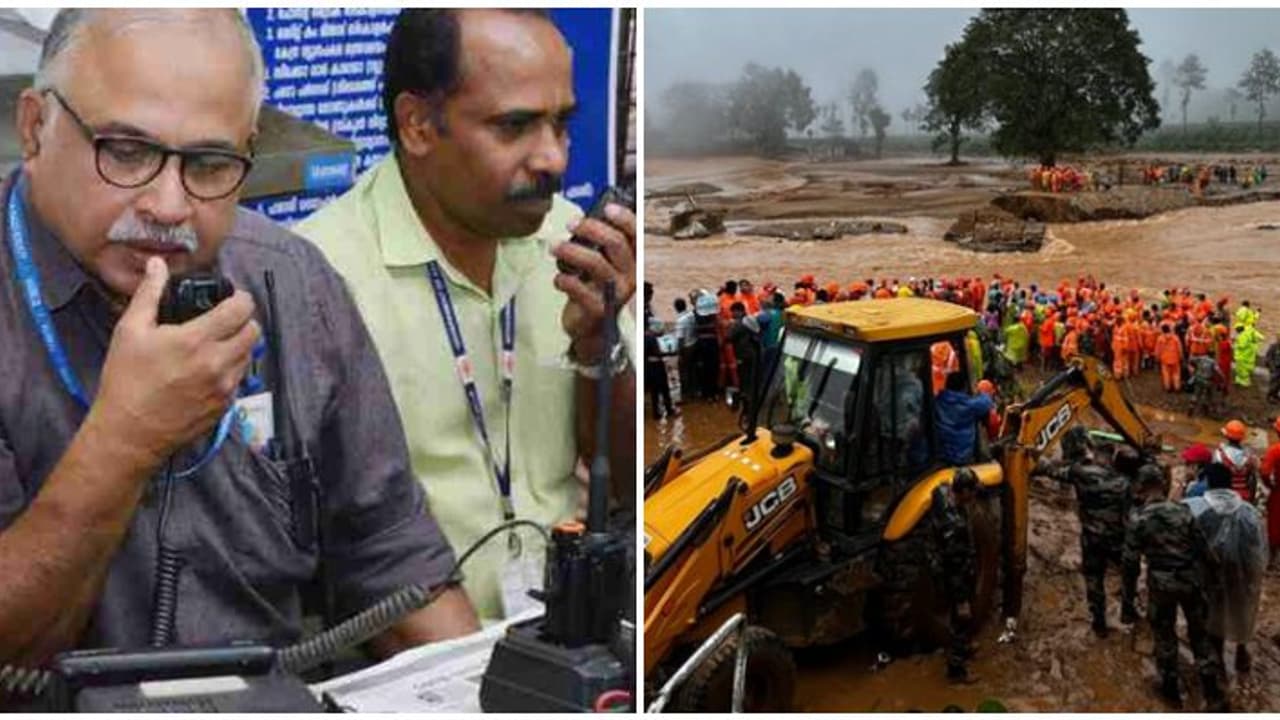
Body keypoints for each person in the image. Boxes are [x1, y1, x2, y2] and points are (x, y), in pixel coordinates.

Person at [0, 9, 479, 660]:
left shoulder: (292, 282)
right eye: (126, 152)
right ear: (35, 129)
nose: (168, 206)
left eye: (209, 164)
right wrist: (123, 443)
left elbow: (394, 561)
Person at [296, 9, 637, 620]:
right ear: (418, 125)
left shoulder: (571, 245)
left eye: (561, 124)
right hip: (412, 649)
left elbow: (633, 474)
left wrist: (599, 349)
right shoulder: (320, 278)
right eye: (514, 126)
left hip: (567, 628)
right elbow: (346, 549)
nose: (553, 159)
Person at [1122, 465, 1226, 710]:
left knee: (1165, 635)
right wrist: (1216, 578)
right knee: (1200, 636)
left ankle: (1171, 691)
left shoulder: (1139, 519)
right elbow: (1204, 549)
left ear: (1141, 487)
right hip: (1191, 579)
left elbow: (1130, 562)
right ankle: (1213, 693)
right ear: (1163, 484)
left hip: (1161, 584)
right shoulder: (1183, 511)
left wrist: (1128, 598)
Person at [1038, 427, 1134, 637]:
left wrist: (1033, 456)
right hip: (1118, 539)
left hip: (1092, 538)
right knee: (1128, 574)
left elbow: (1050, 470)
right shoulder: (1124, 481)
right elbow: (1130, 513)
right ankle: (1128, 614)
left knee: (1093, 579)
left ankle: (1099, 624)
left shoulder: (1081, 473)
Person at [1184, 463, 1267, 680]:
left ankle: (1218, 659)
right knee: (1243, 610)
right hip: (1241, 574)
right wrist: (1253, 575)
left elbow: (1189, 545)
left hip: (1210, 573)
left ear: (1207, 482)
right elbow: (1258, 550)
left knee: (1213, 613)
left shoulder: (1195, 509)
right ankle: (1242, 651)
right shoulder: (1249, 512)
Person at [927, 467, 979, 683]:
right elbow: (956, 567)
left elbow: (938, 487)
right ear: (964, 491)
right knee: (961, 618)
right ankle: (956, 670)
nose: (974, 495)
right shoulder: (956, 527)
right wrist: (961, 600)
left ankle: (964, 646)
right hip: (954, 576)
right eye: (972, 491)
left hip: (939, 566)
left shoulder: (941, 494)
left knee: (959, 616)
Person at [934, 371, 995, 466]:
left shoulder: (938, 402)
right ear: (964, 387)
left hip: (940, 453)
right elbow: (986, 402)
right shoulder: (967, 405)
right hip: (960, 456)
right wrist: (983, 391)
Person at [726, 301, 761, 422]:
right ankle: (752, 407)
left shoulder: (739, 324)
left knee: (744, 383)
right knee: (752, 381)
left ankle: (747, 411)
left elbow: (728, 337)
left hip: (743, 356)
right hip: (753, 355)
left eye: (733, 312)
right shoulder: (751, 320)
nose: (732, 315)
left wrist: (729, 325)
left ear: (739, 311)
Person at [1214, 420, 1260, 504]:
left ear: (1226, 436)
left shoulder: (1219, 453)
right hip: (1244, 497)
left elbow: (1214, 477)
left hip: (1225, 496)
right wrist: (1252, 500)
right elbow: (1253, 480)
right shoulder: (1250, 456)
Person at [645, 318, 676, 420]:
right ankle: (668, 409)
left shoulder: (646, 336)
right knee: (663, 388)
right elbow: (657, 353)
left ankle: (656, 412)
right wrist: (670, 353)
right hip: (656, 366)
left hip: (650, 366)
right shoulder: (651, 338)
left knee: (655, 391)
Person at [1260, 416, 1280, 565]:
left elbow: (1265, 472)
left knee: (1274, 525)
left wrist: (1269, 485)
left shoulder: (1275, 451)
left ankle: (1272, 560)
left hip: (1278, 492)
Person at [673, 297, 697, 400]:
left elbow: (680, 339)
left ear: (675, 308)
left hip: (686, 348)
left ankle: (686, 393)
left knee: (683, 370)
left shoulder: (680, 321)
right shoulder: (691, 315)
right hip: (694, 344)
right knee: (692, 369)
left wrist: (679, 353)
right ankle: (694, 390)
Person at [1232, 322, 1264, 387]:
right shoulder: (1249, 333)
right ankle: (1240, 380)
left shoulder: (1243, 336)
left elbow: (1241, 345)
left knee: (1242, 370)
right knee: (1244, 369)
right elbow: (1261, 338)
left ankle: (1244, 382)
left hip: (1242, 356)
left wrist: (1235, 344)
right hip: (1248, 356)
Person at [1154, 323, 1184, 392]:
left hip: (1164, 358)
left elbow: (1158, 349)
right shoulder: (1175, 337)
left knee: (1166, 374)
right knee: (1176, 373)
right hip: (1175, 358)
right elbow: (1180, 348)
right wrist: (1181, 356)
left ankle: (1168, 387)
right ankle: (1177, 387)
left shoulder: (1160, 338)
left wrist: (1157, 357)